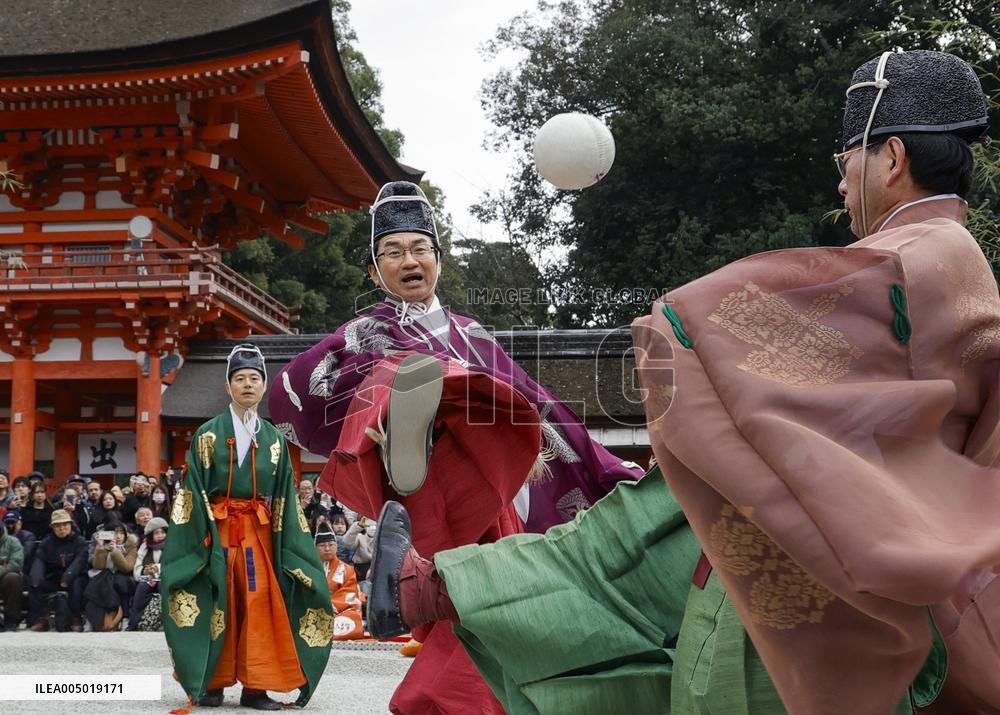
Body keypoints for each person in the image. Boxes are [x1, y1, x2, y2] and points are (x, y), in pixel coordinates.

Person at [366, 50, 1000, 714]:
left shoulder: (904, 263)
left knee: (647, 544)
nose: (843, 190)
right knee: (651, 531)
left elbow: (741, 333)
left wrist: (679, 324)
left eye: (847, 168)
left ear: (892, 159)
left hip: (824, 582)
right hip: (865, 559)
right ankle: (429, 587)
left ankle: (429, 588)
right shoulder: (954, 263)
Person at [270, 180, 642, 715]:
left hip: (496, 491)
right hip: (428, 482)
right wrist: (368, 415)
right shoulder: (368, 331)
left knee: (488, 597)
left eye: (420, 248)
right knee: (394, 372)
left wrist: (549, 447)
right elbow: (298, 391)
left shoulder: (472, 334)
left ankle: (464, 436)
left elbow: (543, 406)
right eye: (393, 253)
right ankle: (408, 429)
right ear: (375, 274)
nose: (409, 260)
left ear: (438, 261)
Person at [161, 343, 332, 711]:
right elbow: (192, 494)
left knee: (258, 605)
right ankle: (212, 683)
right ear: (228, 387)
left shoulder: (273, 439)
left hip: (259, 534)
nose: (248, 385)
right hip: (218, 531)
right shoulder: (207, 435)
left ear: (264, 385)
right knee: (219, 600)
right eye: (240, 379)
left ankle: (257, 687)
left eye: (255, 378)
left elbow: (286, 494)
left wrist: (293, 548)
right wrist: (197, 544)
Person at [28, 509, 88, 632]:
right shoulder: (46, 543)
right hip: (54, 578)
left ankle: (76, 617)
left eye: (65, 524)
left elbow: (79, 562)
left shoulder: (80, 541)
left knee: (77, 583)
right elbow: (39, 560)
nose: (62, 528)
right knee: (34, 583)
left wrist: (67, 578)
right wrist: (36, 578)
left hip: (74, 578)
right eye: (57, 526)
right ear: (53, 528)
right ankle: (40, 618)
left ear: (70, 525)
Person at [313, 523, 364, 641]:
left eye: (331, 545)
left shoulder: (347, 569)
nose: (327, 548)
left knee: (352, 618)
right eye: (322, 545)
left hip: (340, 611)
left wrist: (331, 605)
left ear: (336, 546)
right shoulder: (308, 568)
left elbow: (350, 594)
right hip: (314, 611)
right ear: (315, 548)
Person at [86, 517, 136, 631]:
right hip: (104, 576)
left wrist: (115, 552)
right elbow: (98, 566)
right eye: (114, 533)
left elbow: (127, 567)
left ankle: (125, 617)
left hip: (124, 577)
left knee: (119, 583)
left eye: (121, 533)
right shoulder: (103, 546)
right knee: (95, 585)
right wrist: (100, 548)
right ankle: (91, 619)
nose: (118, 536)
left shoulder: (130, 546)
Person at [128, 516, 168, 631]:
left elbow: (174, 565)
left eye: (162, 532)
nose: (160, 535)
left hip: (166, 578)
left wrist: (158, 571)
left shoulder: (172, 545)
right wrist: (146, 573)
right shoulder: (145, 547)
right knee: (142, 587)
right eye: (156, 533)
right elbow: (137, 567)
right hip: (147, 578)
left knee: (163, 587)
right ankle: (134, 623)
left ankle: (166, 622)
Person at [0, 509, 24, 631]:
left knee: (13, 578)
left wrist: (2, 569)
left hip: (5, 577)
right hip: (4, 569)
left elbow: (16, 563)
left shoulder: (13, 541)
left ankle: (11, 619)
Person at [4, 510, 36, 578]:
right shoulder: (2, 537)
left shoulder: (28, 536)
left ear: (20, 524)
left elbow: (23, 555)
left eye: (13, 523)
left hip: (21, 570)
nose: (10, 526)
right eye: (7, 523)